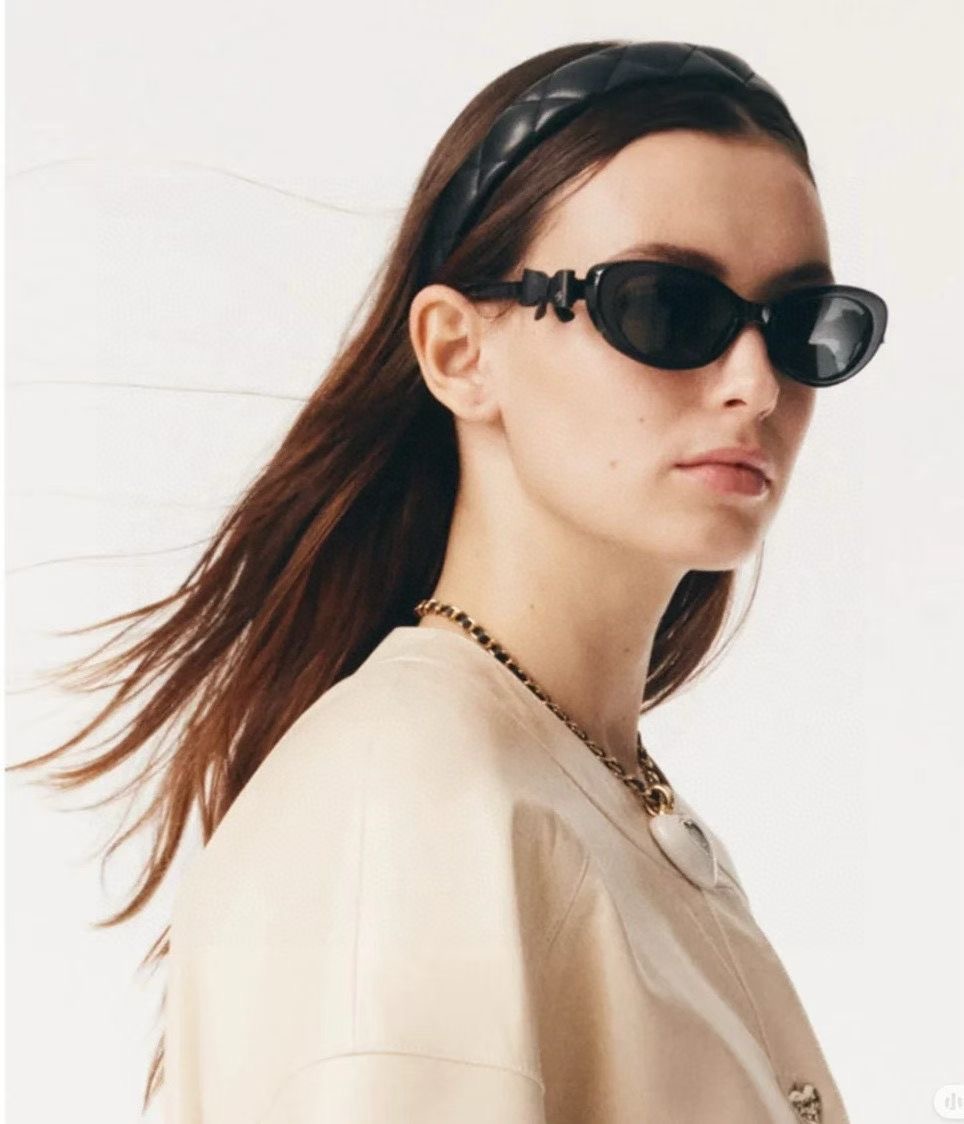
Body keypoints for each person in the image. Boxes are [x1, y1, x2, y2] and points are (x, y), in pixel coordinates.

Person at [8, 39, 887, 1123]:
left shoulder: (577, 784)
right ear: (459, 351)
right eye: (666, 307)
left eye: (802, 327)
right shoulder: (413, 797)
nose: (756, 383)